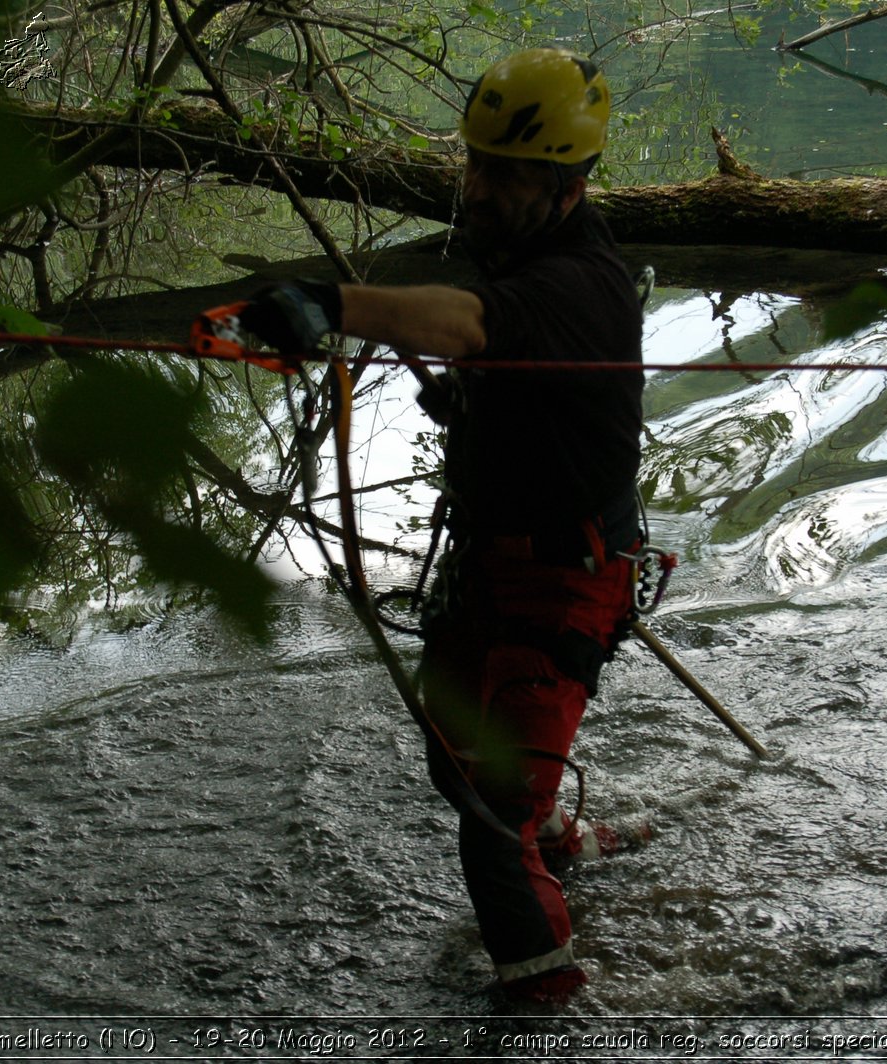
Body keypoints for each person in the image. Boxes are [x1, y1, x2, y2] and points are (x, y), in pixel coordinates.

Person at [238, 47, 645, 1003]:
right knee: (454, 758)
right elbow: (482, 336)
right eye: (473, 164)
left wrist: (331, 305)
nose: (476, 188)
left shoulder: (580, 281)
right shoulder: (525, 253)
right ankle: (560, 838)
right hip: (494, 569)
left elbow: (469, 322)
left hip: (560, 581)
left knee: (489, 825)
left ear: (563, 181)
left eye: (501, 172)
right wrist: (476, 409)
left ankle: (549, 1005)